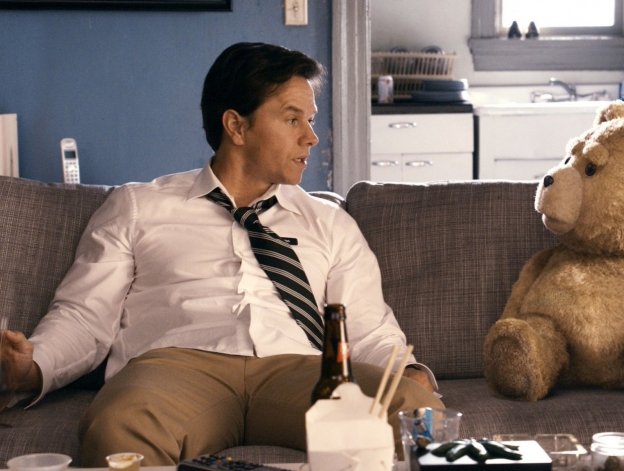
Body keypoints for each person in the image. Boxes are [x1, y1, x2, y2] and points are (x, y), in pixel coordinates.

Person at [0, 42, 443, 466]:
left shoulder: (329, 223)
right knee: (119, 425)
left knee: (414, 410)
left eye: (309, 120)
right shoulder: (138, 206)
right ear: (236, 126)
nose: (311, 137)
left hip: (302, 373)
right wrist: (32, 365)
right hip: (175, 369)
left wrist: (407, 371)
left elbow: (367, 328)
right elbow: (84, 316)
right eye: (292, 119)